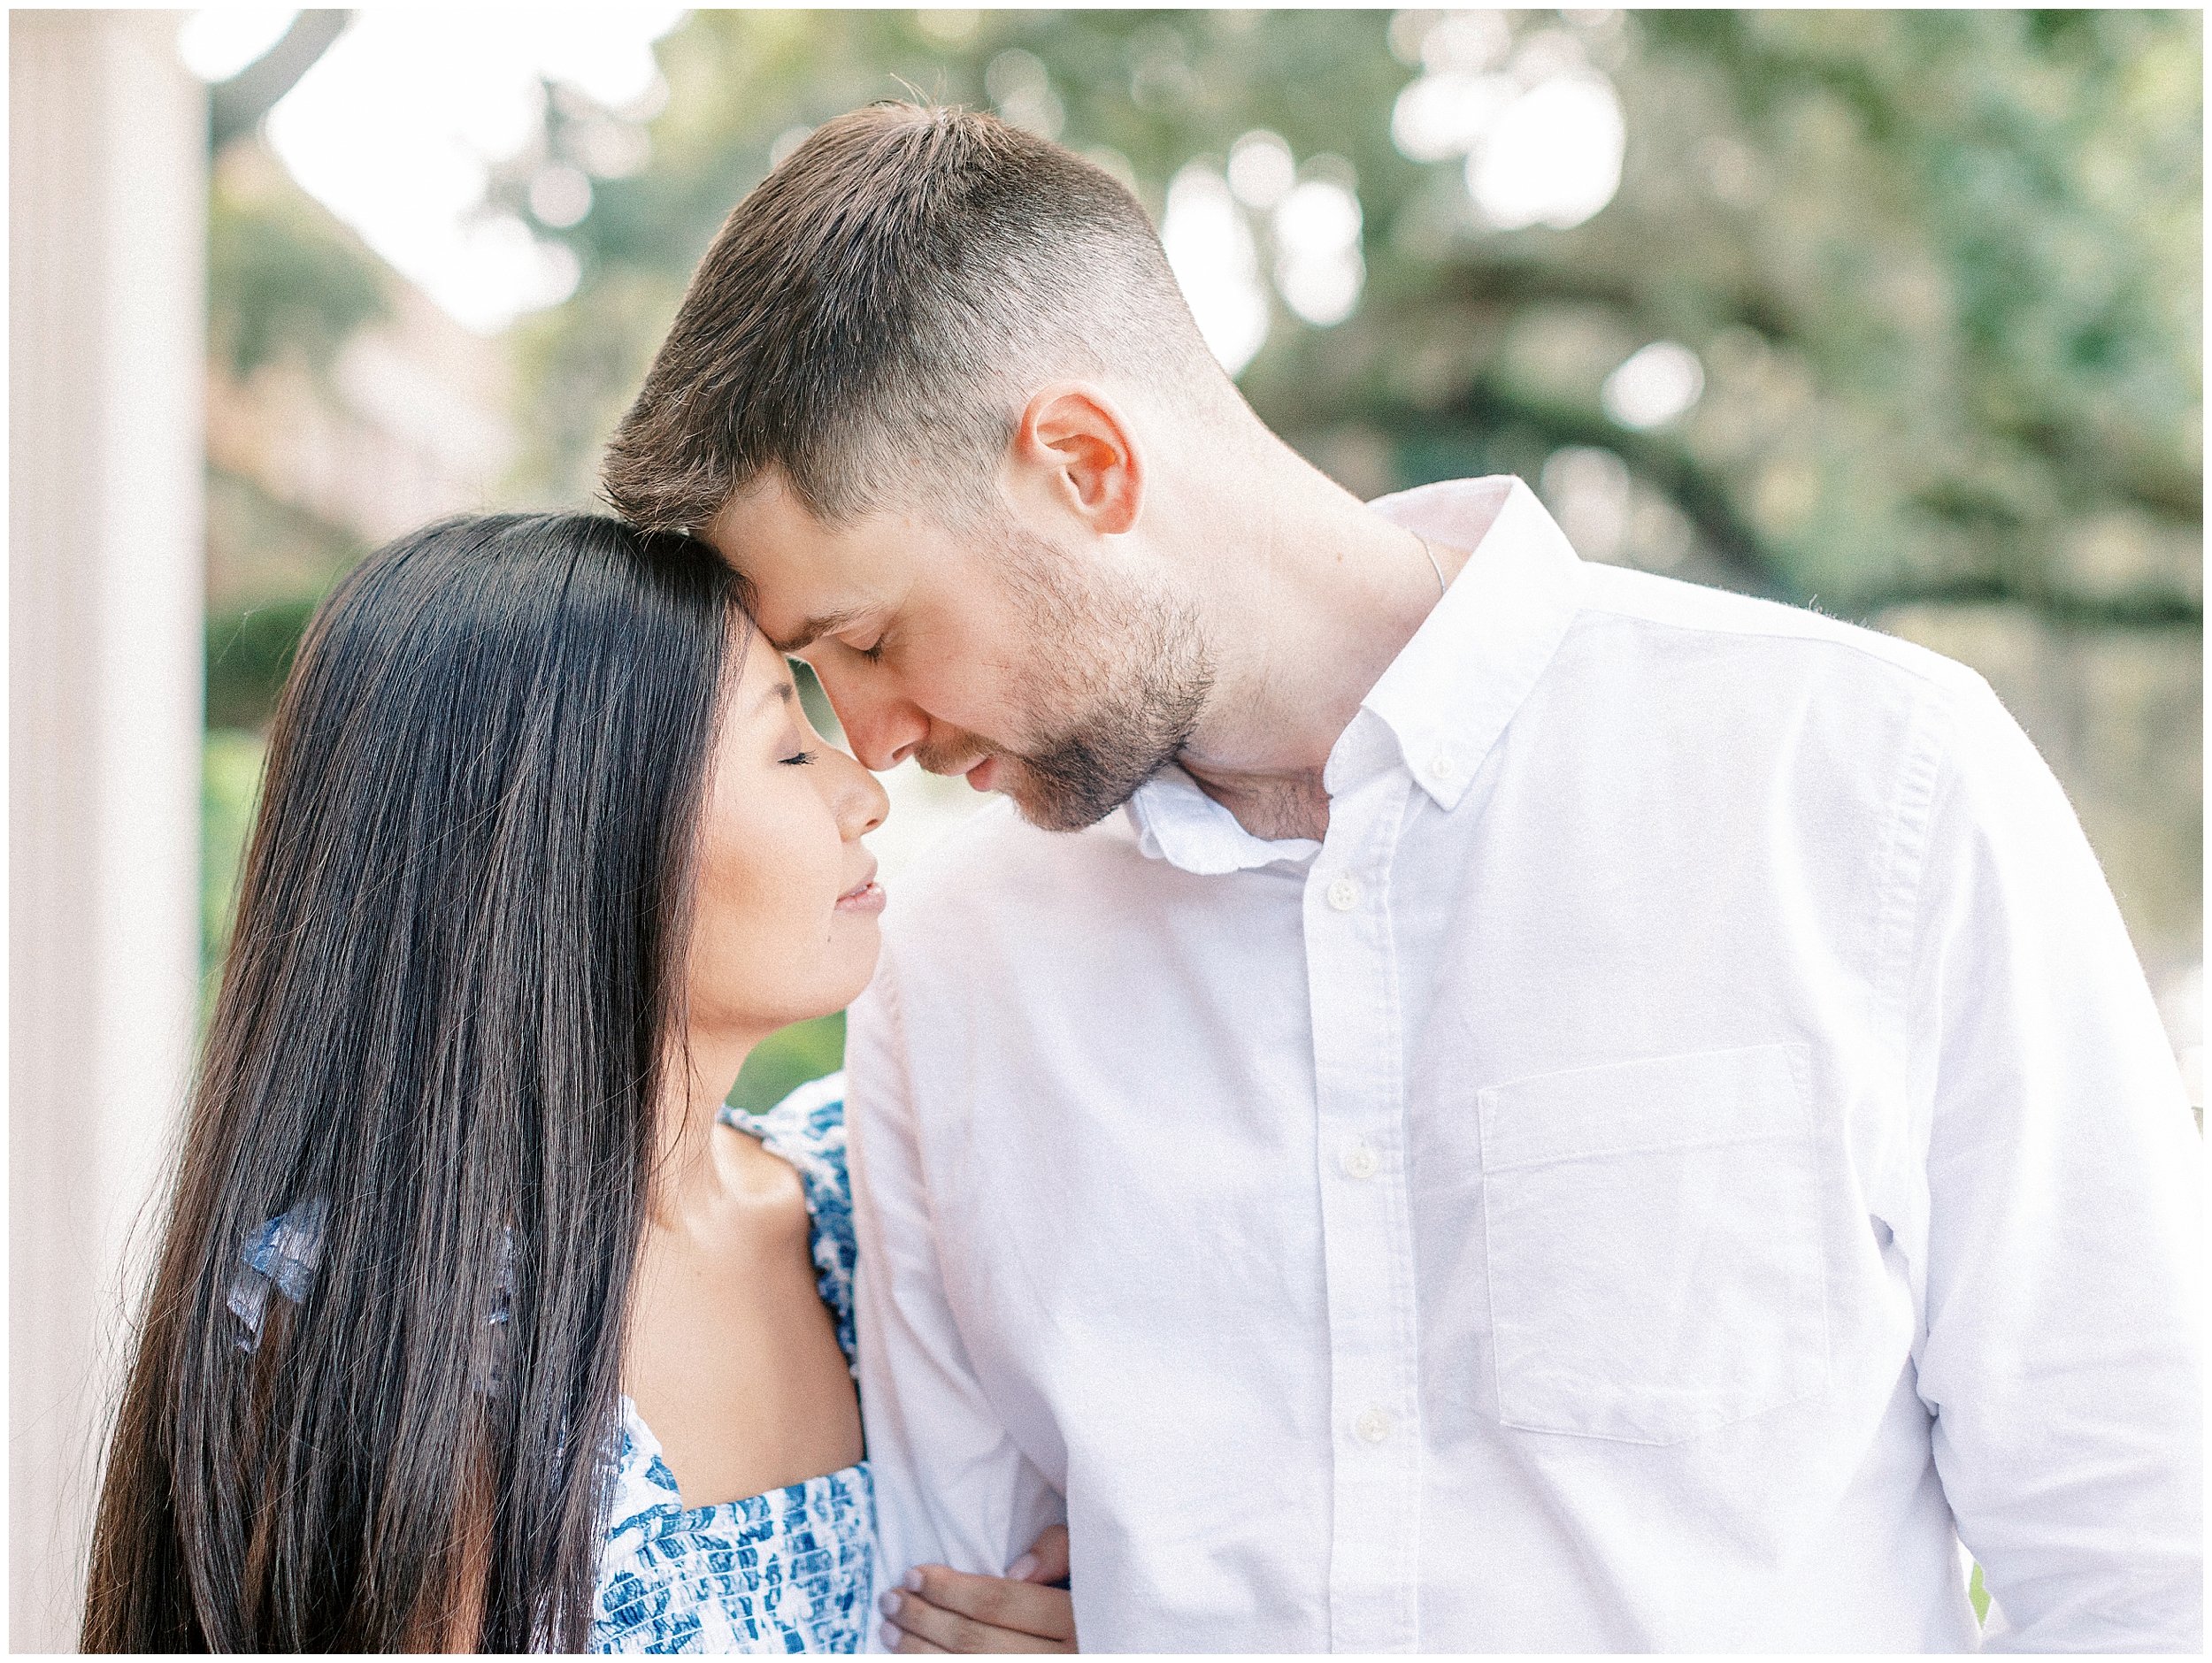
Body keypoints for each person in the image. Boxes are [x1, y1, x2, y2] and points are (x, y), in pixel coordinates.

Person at [601, 103, 2203, 1653]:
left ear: (1084, 465)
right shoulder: (951, 968)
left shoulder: (1867, 784)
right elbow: (943, 1606)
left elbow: (2152, 1565)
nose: (867, 743)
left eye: (870, 640)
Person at [80, 514, 1074, 1654]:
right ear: (578, 836)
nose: (866, 792)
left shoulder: (873, 1206)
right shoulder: (381, 1323)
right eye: (788, 749)